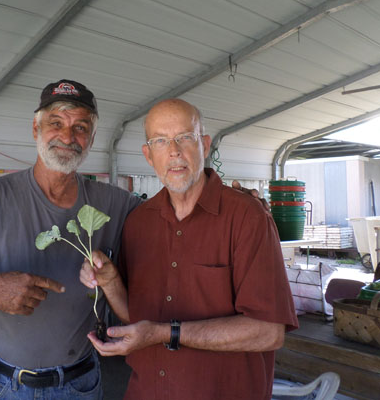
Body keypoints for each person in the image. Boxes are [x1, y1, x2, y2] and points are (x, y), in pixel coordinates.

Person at [0, 79, 141, 399]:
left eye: (80, 127)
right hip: (5, 385)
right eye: (55, 123)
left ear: (92, 139)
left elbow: (174, 221)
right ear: (35, 129)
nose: (68, 136)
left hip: (82, 383)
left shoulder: (116, 204)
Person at [80, 99, 298, 400]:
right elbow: (137, 317)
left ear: (204, 145)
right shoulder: (139, 223)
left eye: (185, 137)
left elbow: (268, 331)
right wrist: (111, 283)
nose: (174, 151)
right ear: (148, 155)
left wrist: (167, 333)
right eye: (160, 141)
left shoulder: (248, 217)